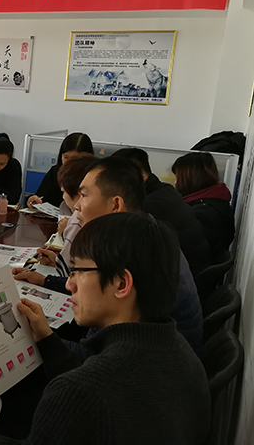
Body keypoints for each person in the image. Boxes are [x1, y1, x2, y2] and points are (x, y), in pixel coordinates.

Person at [0, 212, 210, 445]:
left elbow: (85, 392)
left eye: (79, 271)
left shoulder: (79, 392)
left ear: (122, 284)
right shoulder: (185, 356)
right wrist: (46, 338)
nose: (70, 284)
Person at [70, 157, 203, 354]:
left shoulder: (138, 252)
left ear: (115, 205)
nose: (77, 205)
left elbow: (92, 354)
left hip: (149, 363)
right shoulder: (144, 233)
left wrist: (40, 339)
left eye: (83, 195)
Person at [112, 147, 211, 275]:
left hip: (181, 277)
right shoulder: (166, 190)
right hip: (193, 269)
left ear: (140, 178)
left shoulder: (149, 206)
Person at [13, 155, 97, 291]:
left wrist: (45, 280)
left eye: (83, 195)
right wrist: (57, 262)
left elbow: (77, 285)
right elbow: (75, 274)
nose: (78, 205)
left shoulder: (80, 222)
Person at [172, 152, 235, 260]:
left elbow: (187, 254)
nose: (175, 183)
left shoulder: (203, 214)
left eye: (178, 178)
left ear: (190, 179)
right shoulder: (214, 201)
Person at [26, 132, 94, 208]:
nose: (68, 162)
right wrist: (33, 199)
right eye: (65, 157)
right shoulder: (55, 172)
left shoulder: (92, 178)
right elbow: (41, 196)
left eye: (74, 159)